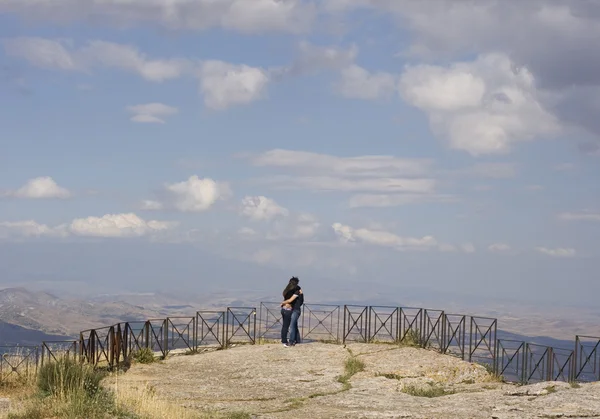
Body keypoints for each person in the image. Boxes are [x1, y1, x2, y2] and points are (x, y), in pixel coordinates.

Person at [280, 276, 303, 347]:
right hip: (293, 309)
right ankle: (295, 340)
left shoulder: (288, 290)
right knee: (293, 325)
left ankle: (291, 341)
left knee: (292, 325)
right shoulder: (297, 290)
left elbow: (289, 300)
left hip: (292, 309)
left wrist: (283, 303)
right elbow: (299, 301)